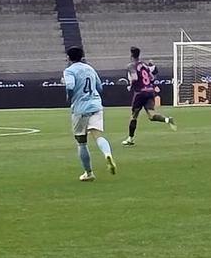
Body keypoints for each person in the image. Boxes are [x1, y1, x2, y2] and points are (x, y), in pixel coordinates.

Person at [62, 46, 116, 181]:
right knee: (97, 135)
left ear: (68, 58)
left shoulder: (69, 71)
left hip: (81, 108)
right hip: (96, 105)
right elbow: (100, 87)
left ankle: (89, 172)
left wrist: (69, 96)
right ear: (82, 57)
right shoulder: (90, 68)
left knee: (82, 142)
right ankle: (107, 154)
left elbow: (70, 86)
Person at [123, 46, 176, 145]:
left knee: (134, 116)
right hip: (150, 91)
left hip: (140, 93)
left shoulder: (131, 65)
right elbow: (151, 77)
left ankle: (130, 139)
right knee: (151, 115)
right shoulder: (145, 65)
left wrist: (131, 86)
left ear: (131, 55)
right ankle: (167, 119)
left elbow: (134, 78)